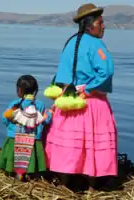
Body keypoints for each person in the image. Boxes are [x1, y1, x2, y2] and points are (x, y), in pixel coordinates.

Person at [44, 3, 118, 190]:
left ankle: (64, 182)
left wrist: (61, 99)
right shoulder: (97, 45)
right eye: (100, 22)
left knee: (68, 143)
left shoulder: (70, 42)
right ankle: (92, 185)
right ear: (90, 25)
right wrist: (87, 90)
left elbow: (61, 75)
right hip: (90, 102)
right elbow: (106, 71)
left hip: (68, 102)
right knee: (92, 143)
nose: (104, 26)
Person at [0, 75, 52, 180]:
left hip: (14, 137)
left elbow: (5, 118)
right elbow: (45, 120)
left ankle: (15, 172)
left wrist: (10, 127)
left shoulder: (14, 104)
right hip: (32, 138)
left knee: (14, 155)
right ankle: (29, 173)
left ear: (19, 90)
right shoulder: (40, 105)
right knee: (29, 156)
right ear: (35, 90)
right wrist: (50, 114)